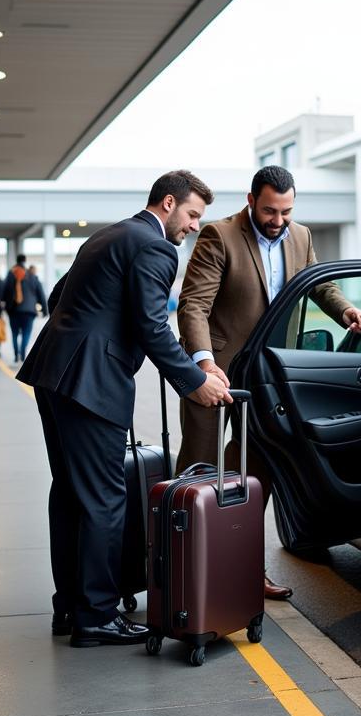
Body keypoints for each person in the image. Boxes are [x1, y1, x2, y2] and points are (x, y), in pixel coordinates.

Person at [17, 169, 231, 648]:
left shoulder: (108, 234)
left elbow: (59, 299)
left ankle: (70, 607)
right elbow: (153, 326)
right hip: (91, 384)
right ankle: (96, 617)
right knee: (104, 500)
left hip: (55, 374)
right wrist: (194, 381)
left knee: (70, 494)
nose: (195, 226)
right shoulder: (156, 247)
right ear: (169, 203)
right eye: (193, 214)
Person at [176, 165, 361, 600]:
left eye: (285, 211)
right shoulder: (218, 236)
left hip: (269, 375)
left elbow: (317, 285)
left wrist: (345, 310)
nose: (278, 221)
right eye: (269, 211)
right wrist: (204, 364)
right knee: (202, 471)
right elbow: (194, 307)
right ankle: (187, 576)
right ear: (250, 200)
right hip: (217, 370)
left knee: (253, 474)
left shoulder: (300, 236)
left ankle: (245, 570)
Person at [3, 254, 48, 362]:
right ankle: (23, 354)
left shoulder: (11, 274)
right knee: (26, 333)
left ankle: (16, 355)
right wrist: (45, 310)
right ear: (25, 261)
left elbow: (4, 292)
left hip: (13, 310)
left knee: (14, 333)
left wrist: (6, 305)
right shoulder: (32, 275)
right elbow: (41, 294)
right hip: (29, 311)